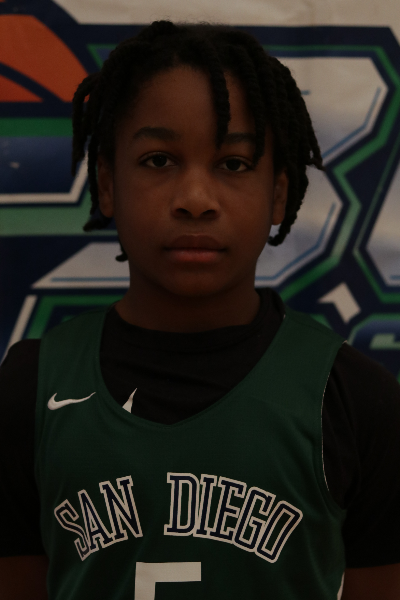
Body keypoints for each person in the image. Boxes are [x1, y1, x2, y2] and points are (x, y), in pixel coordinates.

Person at [0, 21, 399, 600]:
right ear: (107, 184)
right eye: (159, 160)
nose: (194, 199)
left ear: (278, 194)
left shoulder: (356, 401)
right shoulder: (29, 392)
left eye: (233, 164)